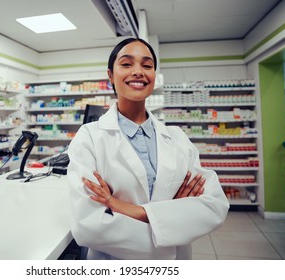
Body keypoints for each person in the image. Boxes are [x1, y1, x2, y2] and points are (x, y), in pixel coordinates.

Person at [67, 37, 229, 260]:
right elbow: (89, 227)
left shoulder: (177, 138)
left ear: (154, 75)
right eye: (126, 64)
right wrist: (173, 221)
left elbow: (215, 207)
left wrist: (122, 207)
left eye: (147, 65)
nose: (138, 71)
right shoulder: (89, 138)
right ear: (110, 75)